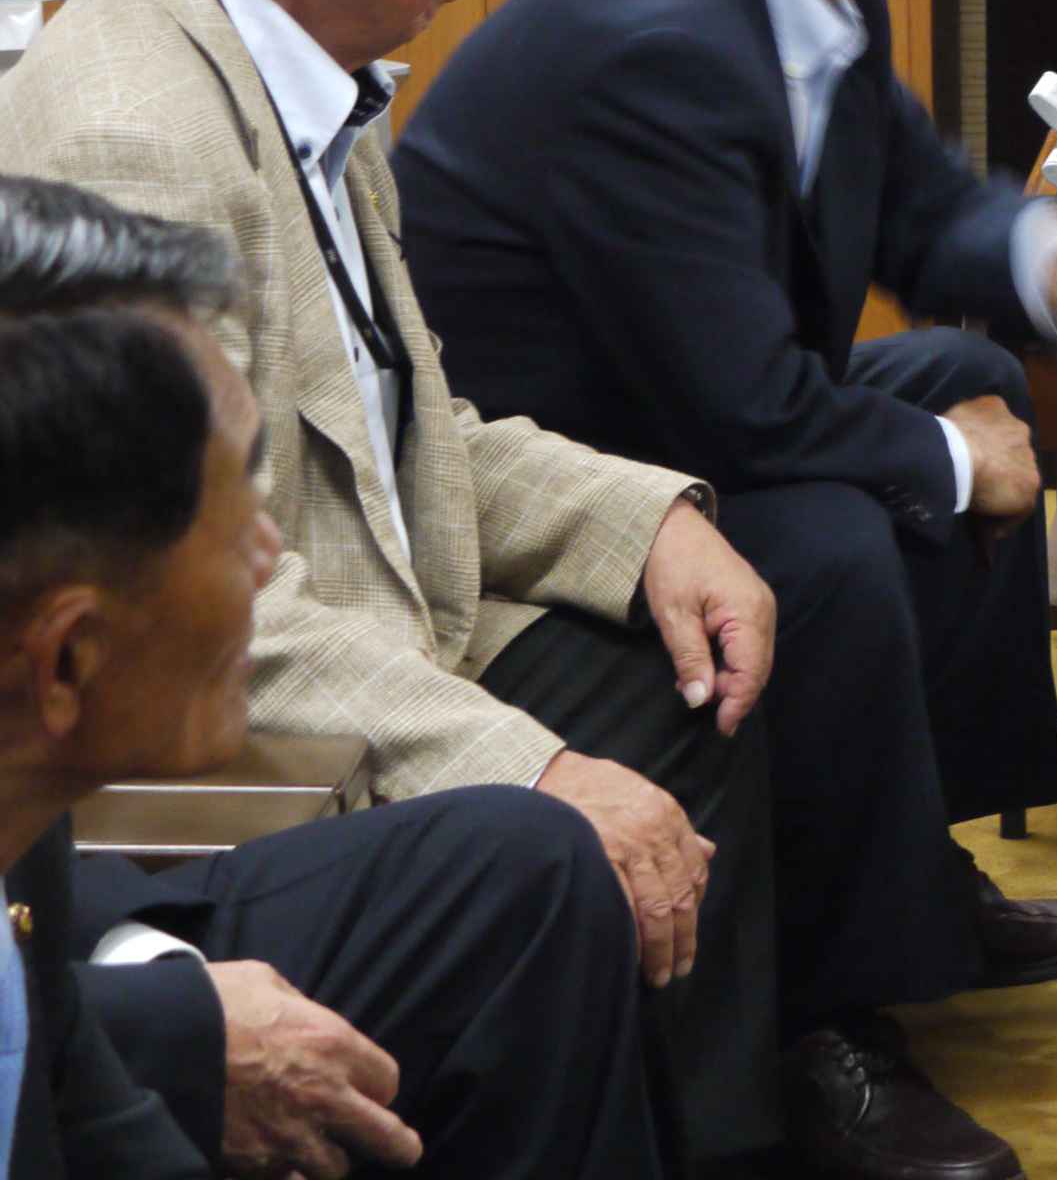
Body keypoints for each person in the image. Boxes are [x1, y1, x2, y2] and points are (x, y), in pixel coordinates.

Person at [0, 0, 810, 1164]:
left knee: (712, 670)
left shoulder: (301, 68)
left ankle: (718, 1134)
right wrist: (537, 766)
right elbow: (212, 597)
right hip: (210, 765)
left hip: (380, 624)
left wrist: (653, 523)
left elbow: (407, 428)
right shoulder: (132, 138)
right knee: (558, 836)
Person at [390, 0, 1057, 1178]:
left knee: (958, 370)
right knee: (829, 532)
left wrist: (1042, 255)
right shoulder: (659, 35)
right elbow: (746, 416)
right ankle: (821, 1029)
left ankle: (913, 878)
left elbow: (915, 207)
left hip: (678, 423)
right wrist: (954, 470)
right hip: (539, 512)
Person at [0, 175, 673, 1179]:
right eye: (233, 526)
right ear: (67, 662)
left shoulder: (26, 837)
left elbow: (81, 1093)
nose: (271, 558)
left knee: (518, 861)